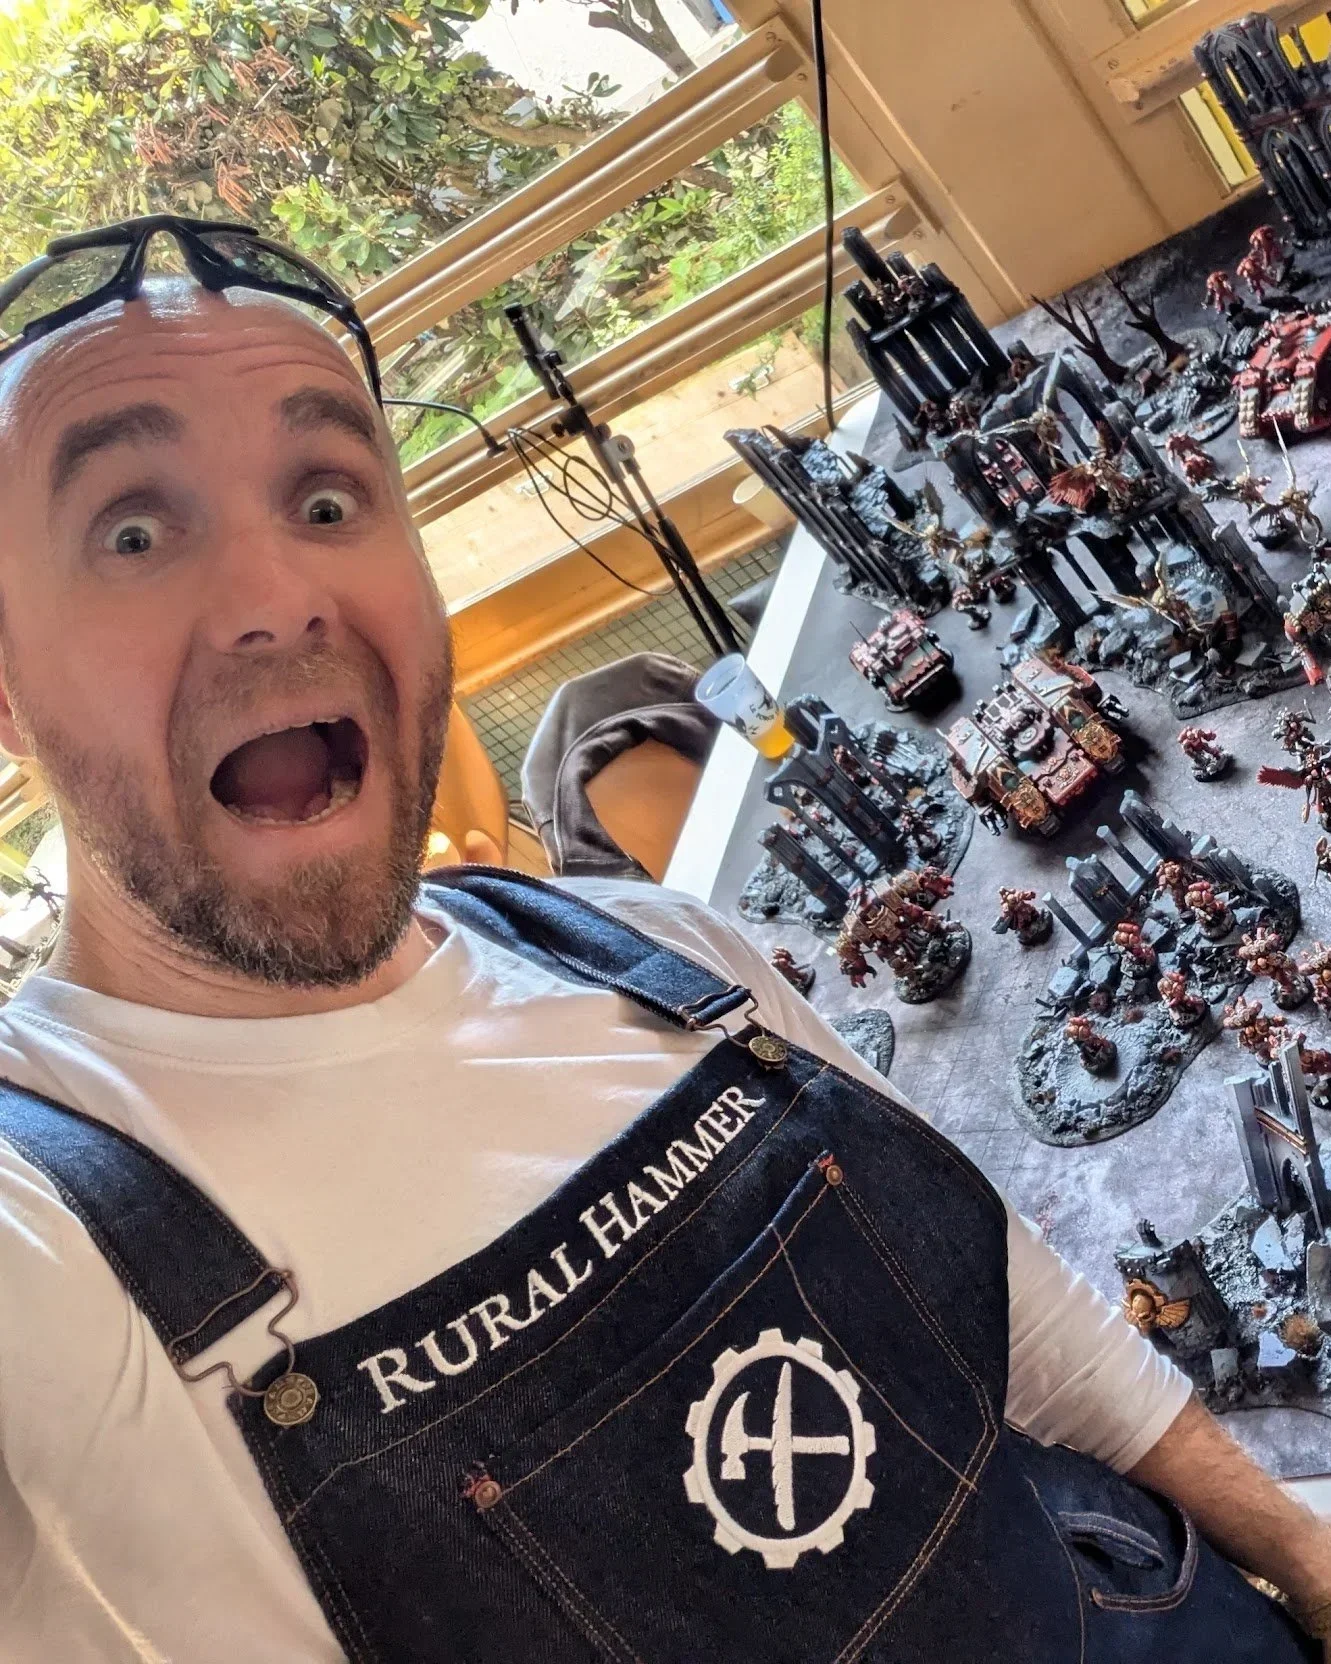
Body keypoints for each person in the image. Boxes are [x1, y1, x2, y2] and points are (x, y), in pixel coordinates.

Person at [0, 217, 1324, 1664]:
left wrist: (1303, 1559)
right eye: (133, 531)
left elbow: (1014, 1314)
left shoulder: (660, 952)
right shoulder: (45, 1246)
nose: (271, 597)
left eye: (327, 500)